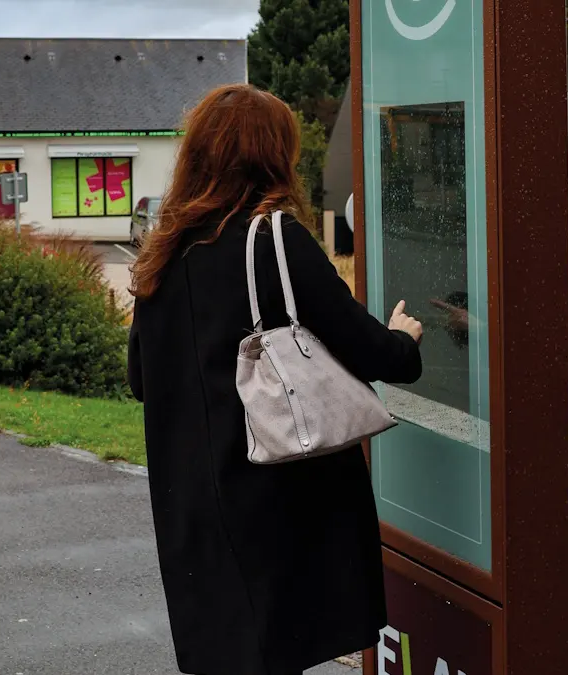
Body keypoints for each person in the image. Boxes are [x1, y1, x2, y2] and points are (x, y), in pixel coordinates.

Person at [127, 84, 424, 675]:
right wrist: (404, 338)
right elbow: (373, 354)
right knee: (271, 652)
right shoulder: (274, 240)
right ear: (271, 156)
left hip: (190, 507)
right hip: (271, 501)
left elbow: (142, 378)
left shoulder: (162, 252)